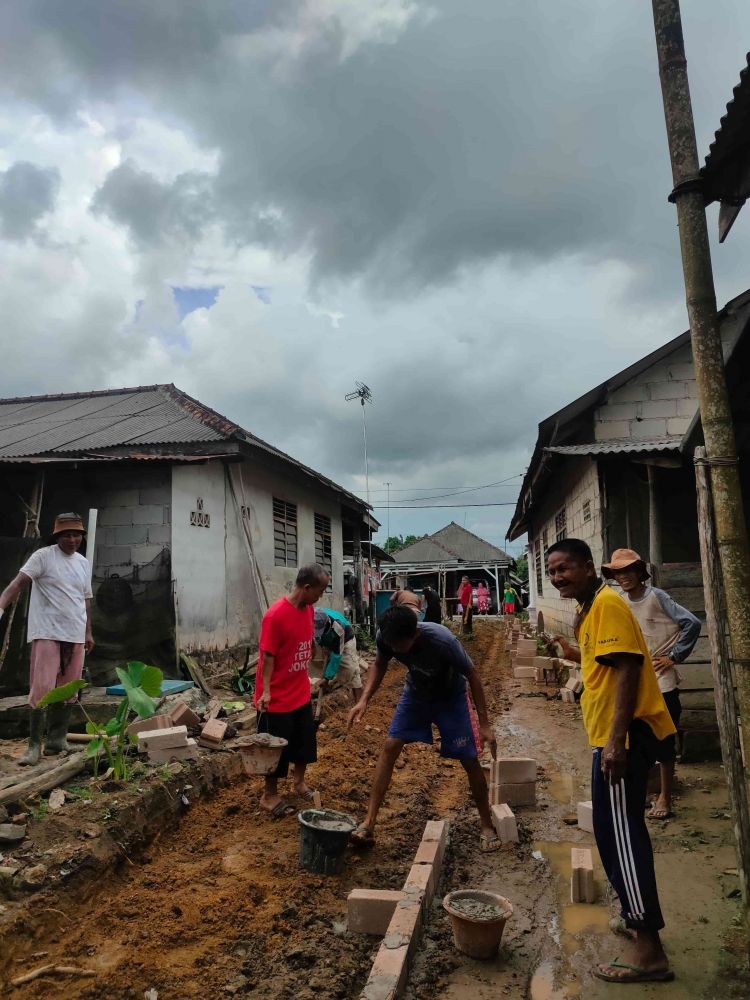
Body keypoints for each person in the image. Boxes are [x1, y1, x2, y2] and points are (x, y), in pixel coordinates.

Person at [548, 538, 675, 984]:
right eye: (551, 571)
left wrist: (617, 741)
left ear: (588, 567)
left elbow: (628, 668)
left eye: (564, 568)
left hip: (622, 737)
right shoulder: (591, 609)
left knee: (621, 835)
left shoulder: (606, 604)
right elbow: (602, 668)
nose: (556, 577)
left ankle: (648, 947)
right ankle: (635, 916)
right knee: (609, 830)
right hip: (608, 736)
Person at [347, 605, 501, 853]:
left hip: (451, 699)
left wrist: (484, 725)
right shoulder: (386, 637)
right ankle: (368, 823)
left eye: (400, 645)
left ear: (415, 635)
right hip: (416, 695)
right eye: (391, 644)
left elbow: (473, 676)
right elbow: (380, 664)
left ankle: (486, 825)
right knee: (390, 745)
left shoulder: (443, 640)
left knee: (470, 760)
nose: (395, 649)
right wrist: (364, 699)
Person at [601, 548, 700, 820]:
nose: (624, 576)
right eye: (618, 572)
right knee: (636, 741)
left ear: (639, 572)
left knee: (664, 743)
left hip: (661, 681)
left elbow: (691, 623)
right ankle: (643, 792)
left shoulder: (657, 596)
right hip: (633, 682)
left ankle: (665, 797)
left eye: (628, 570)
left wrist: (673, 656)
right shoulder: (618, 600)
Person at [0, 513, 94, 765]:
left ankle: (57, 740)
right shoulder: (43, 557)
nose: (72, 539)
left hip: (74, 633)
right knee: (42, 689)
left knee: (69, 690)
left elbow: (85, 600)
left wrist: (88, 632)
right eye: (66, 534)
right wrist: (0, 606)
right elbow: (18, 584)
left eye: (76, 534)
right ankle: (33, 747)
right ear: (57, 536)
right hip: (47, 632)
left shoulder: (83, 563)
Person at [254, 563, 330, 818]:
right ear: (307, 588)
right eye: (320, 591)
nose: (321, 596)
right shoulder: (275, 616)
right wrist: (266, 692)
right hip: (276, 696)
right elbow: (267, 657)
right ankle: (269, 795)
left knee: (305, 741)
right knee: (275, 749)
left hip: (298, 691)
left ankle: (298, 783)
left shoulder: (308, 610)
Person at [312, 606, 363, 693]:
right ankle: (326, 687)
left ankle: (360, 703)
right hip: (327, 637)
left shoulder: (338, 628)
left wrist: (327, 677)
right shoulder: (312, 615)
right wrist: (322, 645)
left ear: (326, 623)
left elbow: (336, 655)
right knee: (321, 661)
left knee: (351, 670)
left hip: (345, 639)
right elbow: (316, 636)